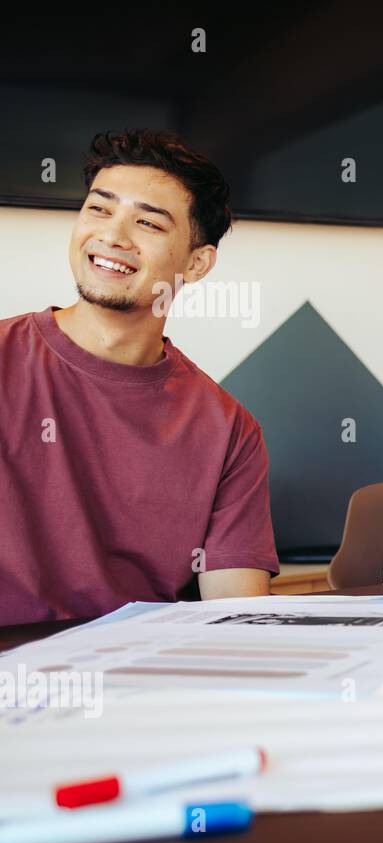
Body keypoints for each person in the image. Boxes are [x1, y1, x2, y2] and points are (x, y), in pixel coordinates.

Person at [0, 129, 278, 625]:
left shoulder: (230, 430)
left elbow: (238, 619)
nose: (112, 236)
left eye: (147, 222)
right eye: (99, 209)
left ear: (197, 263)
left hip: (138, 680)